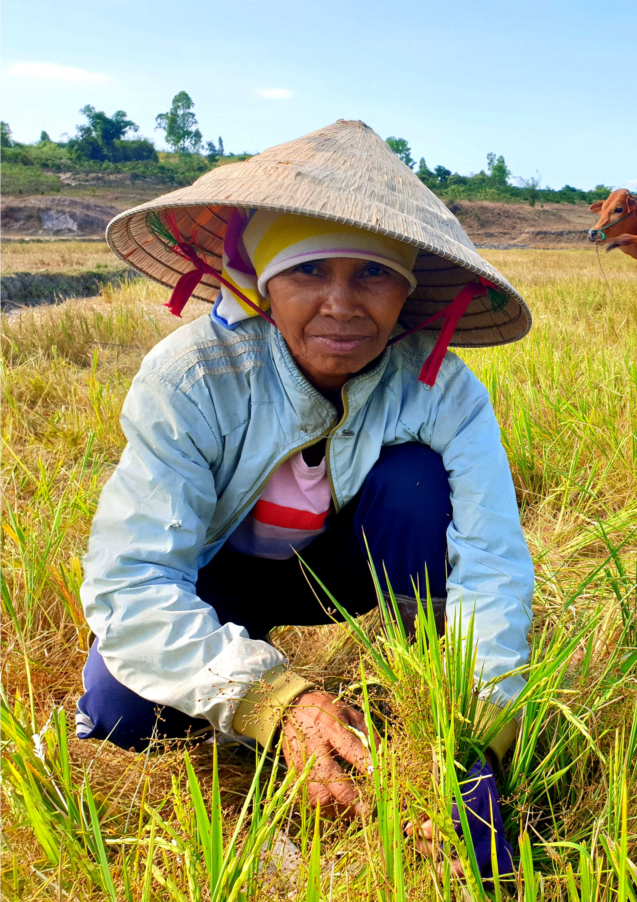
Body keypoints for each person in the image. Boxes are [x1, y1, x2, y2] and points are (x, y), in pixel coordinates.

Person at [75, 121, 534, 871]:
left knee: (416, 485)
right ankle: (249, 707)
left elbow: (492, 565)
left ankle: (425, 693)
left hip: (347, 570)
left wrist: (470, 743)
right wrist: (275, 700)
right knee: (123, 715)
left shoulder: (443, 386)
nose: (342, 304)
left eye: (373, 275)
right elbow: (132, 584)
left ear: (407, 288)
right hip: (219, 578)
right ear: (262, 281)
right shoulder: (192, 378)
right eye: (310, 270)